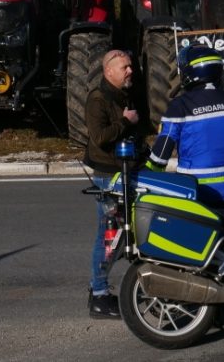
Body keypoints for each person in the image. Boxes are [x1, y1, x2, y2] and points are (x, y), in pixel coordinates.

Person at [148, 45, 224, 207]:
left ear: (190, 73)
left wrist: (148, 175)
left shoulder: (180, 106)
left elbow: (161, 154)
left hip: (196, 193)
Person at [83, 50, 147, 319]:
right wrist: (125, 121)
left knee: (132, 229)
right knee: (110, 236)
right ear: (109, 72)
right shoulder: (98, 99)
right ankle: (99, 295)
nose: (130, 70)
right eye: (124, 67)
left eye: (130, 66)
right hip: (108, 175)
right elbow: (99, 138)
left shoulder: (125, 94)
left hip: (128, 170)